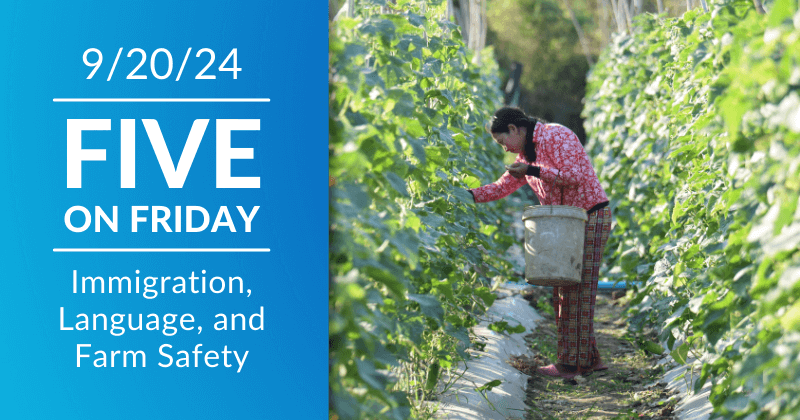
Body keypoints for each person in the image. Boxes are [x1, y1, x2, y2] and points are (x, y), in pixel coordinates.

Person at [468, 107, 611, 379]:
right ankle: (590, 360)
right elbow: (500, 187)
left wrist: (533, 170)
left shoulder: (557, 135)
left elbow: (573, 176)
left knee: (577, 291)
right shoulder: (525, 157)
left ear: (515, 129)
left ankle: (571, 365)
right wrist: (468, 196)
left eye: (503, 142)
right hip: (564, 224)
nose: (506, 150)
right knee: (565, 288)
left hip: (589, 217)